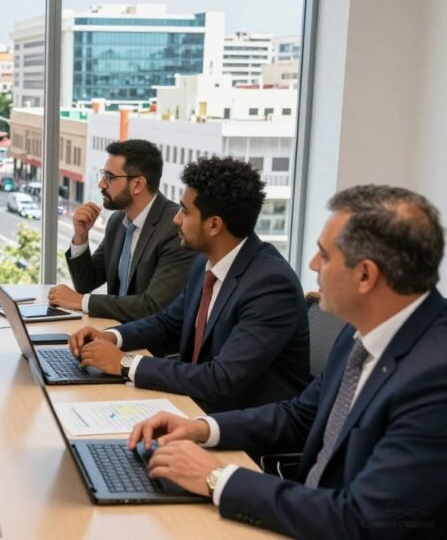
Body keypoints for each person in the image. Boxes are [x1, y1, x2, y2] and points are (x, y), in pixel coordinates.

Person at [128, 185, 447, 538]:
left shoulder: (435, 377)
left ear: (366, 275)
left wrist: (217, 477)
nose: (312, 266)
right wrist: (201, 428)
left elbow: (361, 520)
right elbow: (299, 415)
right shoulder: (364, 331)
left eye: (324, 256)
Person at [69, 156, 311, 413]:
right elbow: (168, 323)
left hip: (239, 430)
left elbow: (221, 380)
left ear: (214, 224)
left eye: (184, 212)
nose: (176, 220)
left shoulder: (270, 286)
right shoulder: (205, 264)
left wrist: (126, 364)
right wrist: (111, 337)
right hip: (192, 405)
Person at [49, 139, 195, 321]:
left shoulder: (174, 228)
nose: (101, 184)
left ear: (138, 185)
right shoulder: (118, 221)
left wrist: (82, 302)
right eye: (103, 176)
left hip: (150, 345)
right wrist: (81, 236)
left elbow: (153, 306)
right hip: (112, 332)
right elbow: (86, 283)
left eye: (109, 177)